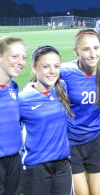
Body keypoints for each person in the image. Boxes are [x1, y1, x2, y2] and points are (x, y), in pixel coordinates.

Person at [60, 28, 100, 195]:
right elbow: (38, 83)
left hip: (96, 140)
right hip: (71, 142)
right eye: (86, 49)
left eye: (96, 48)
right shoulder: (65, 72)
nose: (93, 54)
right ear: (75, 51)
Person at [19, 45, 74, 195]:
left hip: (63, 165)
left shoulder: (62, 87)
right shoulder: (23, 99)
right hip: (35, 167)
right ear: (34, 68)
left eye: (56, 66)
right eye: (46, 66)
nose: (52, 71)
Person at [0, 36, 27, 195]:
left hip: (14, 160)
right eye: (14, 56)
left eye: (23, 57)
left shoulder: (13, 87)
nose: (20, 62)